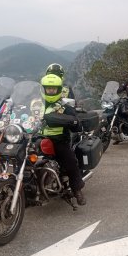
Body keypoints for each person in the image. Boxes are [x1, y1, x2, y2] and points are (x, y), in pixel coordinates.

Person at [40, 73, 86, 206]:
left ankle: (76, 189)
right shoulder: (38, 104)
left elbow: (76, 123)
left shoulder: (64, 107)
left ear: (59, 90)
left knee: (71, 161)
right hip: (38, 138)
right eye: (48, 88)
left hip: (59, 141)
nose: (50, 91)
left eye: (53, 89)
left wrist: (73, 122)